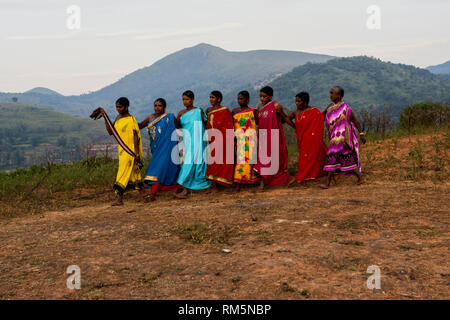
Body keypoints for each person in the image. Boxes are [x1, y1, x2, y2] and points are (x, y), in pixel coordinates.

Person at [98, 97, 150, 206]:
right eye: (117, 107)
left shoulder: (131, 120)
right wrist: (105, 117)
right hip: (122, 151)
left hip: (130, 152)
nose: (118, 109)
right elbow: (111, 132)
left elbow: (135, 137)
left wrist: (136, 154)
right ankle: (144, 195)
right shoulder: (118, 118)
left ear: (126, 107)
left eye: (120, 107)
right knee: (133, 174)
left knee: (123, 173)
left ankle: (120, 199)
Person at [320, 86, 366, 189]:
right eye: (330, 92)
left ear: (339, 95)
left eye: (332, 93)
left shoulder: (346, 107)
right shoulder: (330, 108)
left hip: (344, 138)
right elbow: (320, 117)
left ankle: (327, 182)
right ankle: (360, 177)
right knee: (343, 161)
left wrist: (361, 134)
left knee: (332, 158)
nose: (330, 95)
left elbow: (355, 121)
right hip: (334, 138)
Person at [139, 98, 181, 201]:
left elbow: (179, 126)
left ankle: (153, 194)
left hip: (168, 148)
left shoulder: (170, 117)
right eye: (155, 105)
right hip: (156, 148)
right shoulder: (150, 117)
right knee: (159, 168)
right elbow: (139, 126)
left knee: (158, 168)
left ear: (164, 107)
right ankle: (174, 187)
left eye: (159, 105)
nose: (157, 108)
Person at [253, 86, 295, 189]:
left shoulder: (276, 106)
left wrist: (295, 127)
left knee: (271, 160)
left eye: (264, 96)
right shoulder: (259, 107)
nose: (262, 98)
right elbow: (259, 122)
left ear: (270, 96)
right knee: (264, 159)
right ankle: (288, 178)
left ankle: (262, 184)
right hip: (262, 136)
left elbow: (284, 117)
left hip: (273, 136)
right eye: (261, 96)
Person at [174, 90, 211, 197]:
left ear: (192, 99)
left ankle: (204, 185)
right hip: (187, 141)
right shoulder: (181, 113)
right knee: (188, 162)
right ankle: (185, 187)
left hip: (199, 140)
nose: (185, 102)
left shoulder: (199, 111)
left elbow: (205, 124)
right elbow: (178, 126)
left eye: (187, 99)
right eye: (183, 99)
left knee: (200, 162)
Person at [286, 92, 327, 186]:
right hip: (302, 139)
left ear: (305, 102)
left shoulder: (313, 110)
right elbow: (288, 119)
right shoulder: (296, 112)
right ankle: (305, 177)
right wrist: (295, 127)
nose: (296, 103)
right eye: (296, 101)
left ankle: (304, 177)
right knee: (304, 159)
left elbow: (320, 119)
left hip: (312, 139)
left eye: (298, 101)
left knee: (313, 158)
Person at [204, 91, 234, 192]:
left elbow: (229, 125)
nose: (211, 99)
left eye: (213, 97)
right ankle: (214, 185)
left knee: (222, 161)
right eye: (210, 97)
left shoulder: (225, 110)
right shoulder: (209, 110)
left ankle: (220, 184)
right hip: (212, 138)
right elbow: (207, 126)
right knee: (212, 162)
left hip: (223, 139)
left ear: (219, 99)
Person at [231, 90, 259, 192]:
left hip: (250, 140)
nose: (240, 101)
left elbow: (258, 123)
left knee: (250, 160)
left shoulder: (253, 111)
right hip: (239, 140)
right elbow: (232, 125)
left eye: (242, 98)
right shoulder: (234, 111)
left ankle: (249, 180)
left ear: (247, 100)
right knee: (239, 161)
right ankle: (238, 183)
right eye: (238, 98)